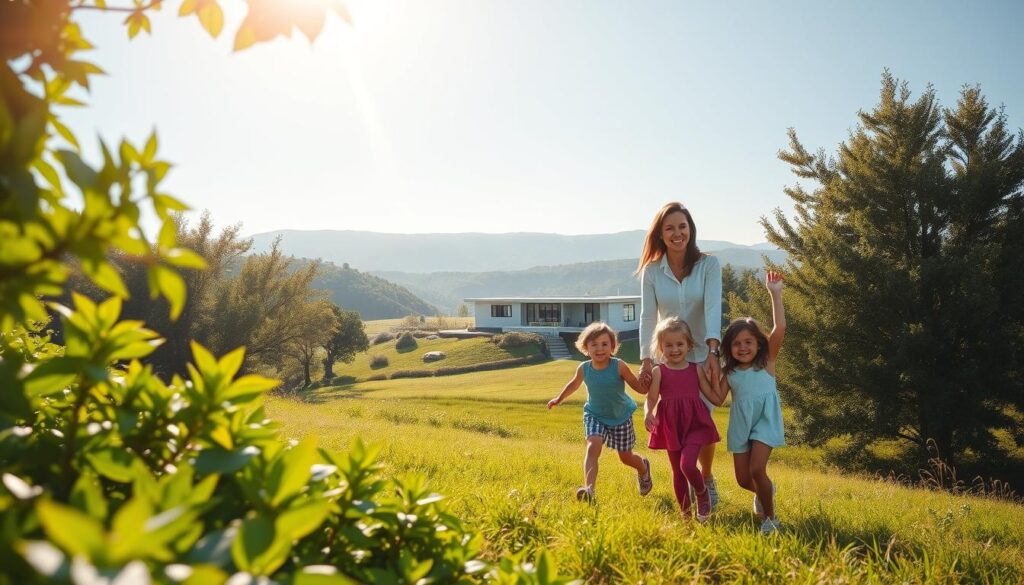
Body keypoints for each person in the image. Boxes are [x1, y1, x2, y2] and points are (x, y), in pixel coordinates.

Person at [636, 202, 723, 508]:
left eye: (682, 226)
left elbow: (714, 306)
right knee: (674, 420)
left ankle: (707, 476)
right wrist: (647, 359)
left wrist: (713, 350)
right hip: (668, 357)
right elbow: (648, 317)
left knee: (703, 419)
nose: (677, 233)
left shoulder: (708, 266)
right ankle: (686, 482)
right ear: (660, 234)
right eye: (670, 228)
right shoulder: (651, 271)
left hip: (701, 355)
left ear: (691, 229)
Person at [704, 270, 787, 535]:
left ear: (758, 344)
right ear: (729, 348)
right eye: (737, 343)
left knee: (756, 468)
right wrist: (699, 376)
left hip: (764, 420)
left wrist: (775, 293)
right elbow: (717, 398)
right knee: (742, 480)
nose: (742, 347)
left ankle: (770, 519)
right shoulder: (730, 373)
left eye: (748, 342)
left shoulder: (767, 362)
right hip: (741, 424)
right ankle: (765, 490)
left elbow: (780, 328)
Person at [548, 322, 652, 502]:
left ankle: (643, 468)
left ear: (612, 346)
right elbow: (573, 384)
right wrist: (559, 398)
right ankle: (589, 489)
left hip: (620, 417)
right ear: (586, 347)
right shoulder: (584, 368)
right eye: (594, 344)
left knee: (626, 457)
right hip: (595, 415)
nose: (599, 349)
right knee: (593, 446)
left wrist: (648, 382)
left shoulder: (619, 366)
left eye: (604, 344)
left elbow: (639, 388)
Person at [644, 317, 721, 522]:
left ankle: (702, 493)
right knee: (677, 471)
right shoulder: (659, 371)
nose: (675, 349)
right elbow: (651, 398)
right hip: (671, 425)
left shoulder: (695, 369)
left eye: (680, 344)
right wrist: (648, 413)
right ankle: (685, 515)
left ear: (689, 345)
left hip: (695, 423)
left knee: (687, 466)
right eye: (668, 345)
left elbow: (713, 396)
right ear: (660, 347)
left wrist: (724, 382)